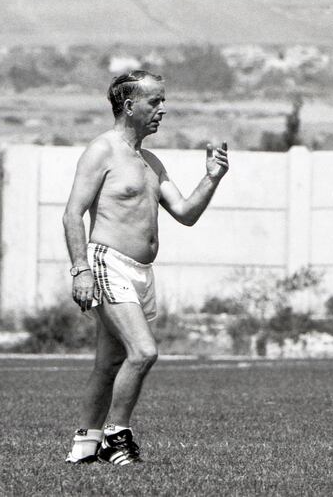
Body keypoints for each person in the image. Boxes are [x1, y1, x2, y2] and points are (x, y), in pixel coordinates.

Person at [61, 70, 229, 466]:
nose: (162, 110)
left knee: (109, 364)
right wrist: (80, 269)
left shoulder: (151, 161)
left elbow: (186, 213)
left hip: (140, 272)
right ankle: (117, 437)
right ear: (130, 105)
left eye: (163, 101)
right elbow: (72, 214)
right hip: (106, 263)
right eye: (155, 102)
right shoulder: (102, 150)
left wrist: (212, 178)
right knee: (144, 351)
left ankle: (84, 445)